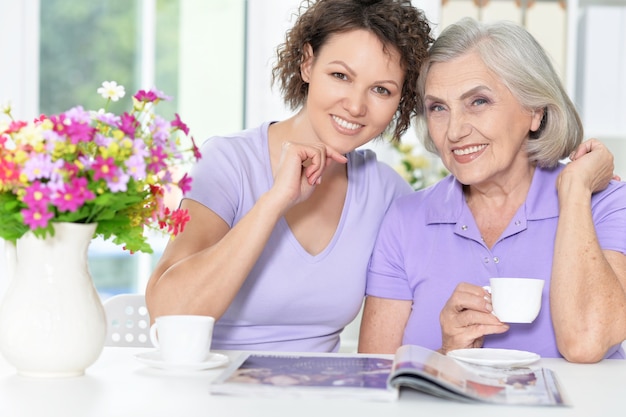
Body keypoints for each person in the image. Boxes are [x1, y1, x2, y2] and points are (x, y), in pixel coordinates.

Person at [145, 0, 433, 352]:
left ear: (401, 100)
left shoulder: (387, 194)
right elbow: (167, 314)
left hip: (319, 398)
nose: (356, 106)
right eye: (340, 76)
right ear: (308, 64)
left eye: (381, 90)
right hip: (213, 394)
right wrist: (274, 201)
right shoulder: (229, 162)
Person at [358, 17, 626, 363]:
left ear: (535, 112)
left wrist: (574, 189)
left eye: (478, 102)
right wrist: (446, 355)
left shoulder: (605, 204)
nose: (454, 131)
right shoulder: (406, 220)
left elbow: (587, 343)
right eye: (438, 107)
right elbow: (373, 379)